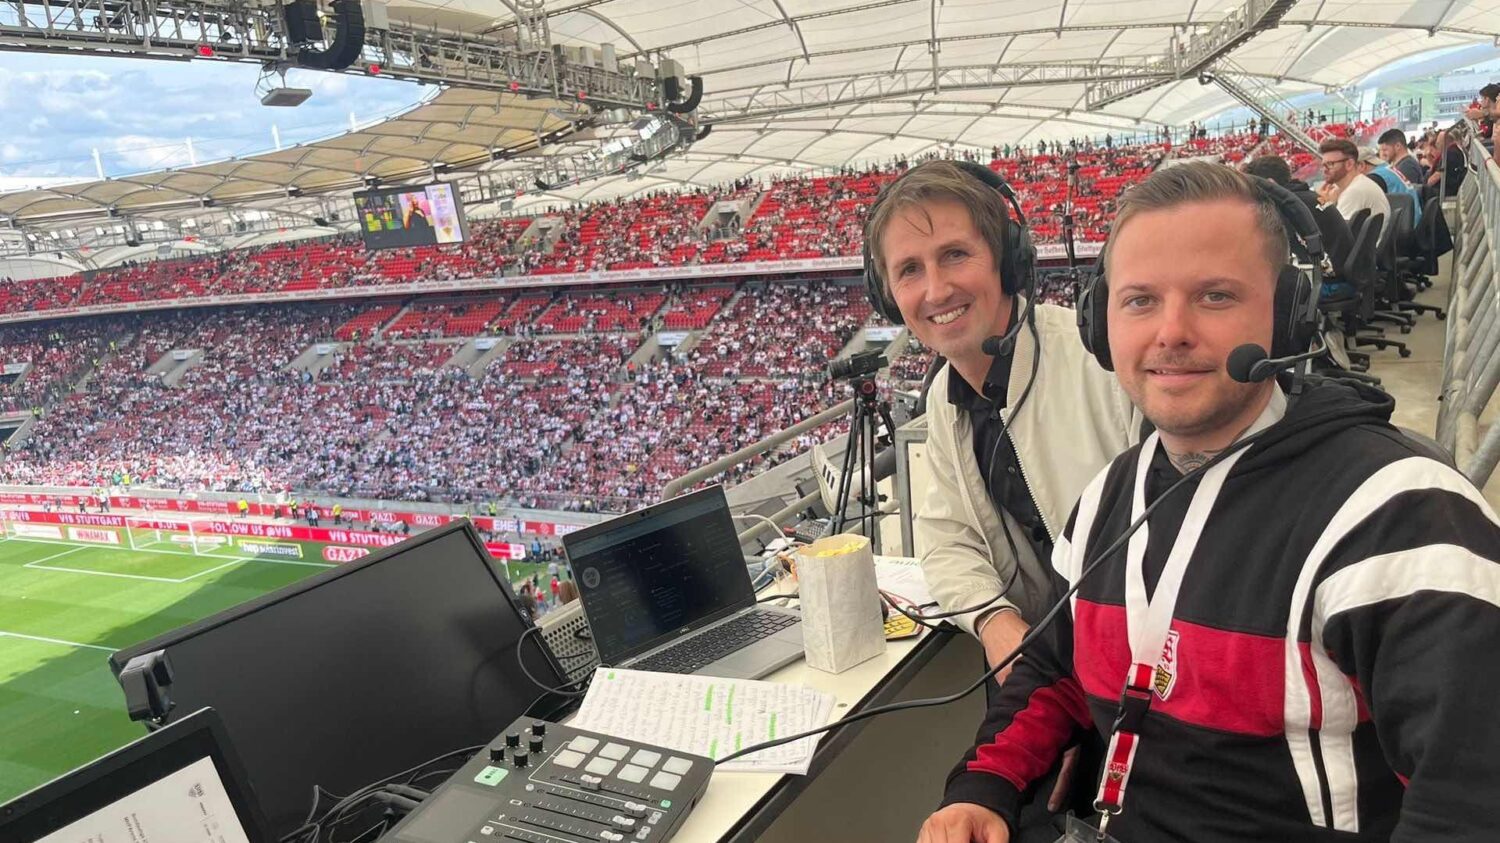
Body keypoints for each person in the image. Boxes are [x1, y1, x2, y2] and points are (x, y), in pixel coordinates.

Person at [916, 162, 1500, 843]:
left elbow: (1470, 799)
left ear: (1288, 314)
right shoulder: (1108, 499)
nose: (1171, 331)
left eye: (1215, 296)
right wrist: (984, 787)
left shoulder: (1399, 517)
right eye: (1140, 301)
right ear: (1101, 326)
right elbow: (1056, 669)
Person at [865, 160, 1140, 835]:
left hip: (1141, 682)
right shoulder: (943, 396)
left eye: (955, 254)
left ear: (1009, 260)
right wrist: (995, 622)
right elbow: (946, 539)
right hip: (1051, 685)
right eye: (909, 269)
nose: (936, 289)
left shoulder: (1099, 359)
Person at [1316, 138, 1389, 237]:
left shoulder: (1355, 191)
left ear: (1349, 164)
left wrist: (1326, 205)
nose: (1324, 170)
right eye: (1323, 165)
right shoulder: (1356, 185)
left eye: (1330, 164)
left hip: (1361, 246)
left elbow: (1335, 236)